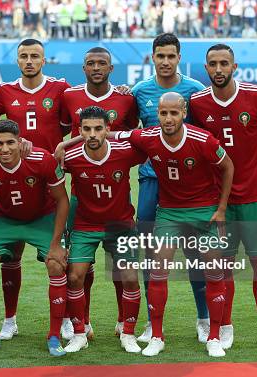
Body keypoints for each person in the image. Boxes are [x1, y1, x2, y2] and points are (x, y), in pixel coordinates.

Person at [189, 43, 257, 351]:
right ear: (206, 68)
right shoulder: (196, 104)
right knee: (223, 267)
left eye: (225, 63)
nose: (219, 69)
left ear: (234, 66)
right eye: (213, 64)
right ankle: (224, 327)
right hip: (217, 202)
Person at [115, 92, 234, 357]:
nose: (168, 119)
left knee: (213, 272)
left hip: (205, 212)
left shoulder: (203, 140)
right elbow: (110, 136)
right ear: (157, 113)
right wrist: (68, 144)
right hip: (169, 213)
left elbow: (228, 166)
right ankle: (157, 336)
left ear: (184, 112)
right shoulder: (146, 136)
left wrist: (222, 208)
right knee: (158, 271)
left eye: (174, 113)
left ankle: (214, 336)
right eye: (163, 113)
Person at [0, 38, 71, 340]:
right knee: (11, 256)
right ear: (17, 60)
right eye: (24, 56)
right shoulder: (3, 92)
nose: (30, 61)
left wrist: (62, 146)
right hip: (13, 184)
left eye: (35, 56)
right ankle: (10, 319)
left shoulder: (60, 90)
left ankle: (66, 319)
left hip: (50, 183)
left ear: (44, 60)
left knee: (60, 257)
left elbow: (83, 120)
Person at [0, 120, 70, 356]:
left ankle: (54, 336)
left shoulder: (42, 160)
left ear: (20, 142)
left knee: (56, 264)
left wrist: (55, 244)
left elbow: (62, 200)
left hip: (41, 218)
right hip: (3, 219)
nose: (5, 149)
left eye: (10, 142)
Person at [131, 32, 209, 344]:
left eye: (170, 56)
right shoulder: (139, 92)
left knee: (196, 254)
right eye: (159, 56)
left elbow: (208, 138)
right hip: (152, 180)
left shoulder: (195, 91)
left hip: (190, 187)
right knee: (151, 255)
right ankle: (152, 323)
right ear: (152, 57)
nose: (165, 61)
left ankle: (203, 318)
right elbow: (125, 135)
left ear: (179, 58)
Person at [60, 47, 139, 340]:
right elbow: (59, 129)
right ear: (83, 68)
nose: (96, 68)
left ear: (111, 67)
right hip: (81, 187)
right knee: (81, 266)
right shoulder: (69, 96)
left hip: (117, 191)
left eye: (102, 63)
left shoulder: (126, 97)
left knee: (122, 266)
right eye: (91, 63)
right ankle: (84, 323)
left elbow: (133, 134)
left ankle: (123, 321)